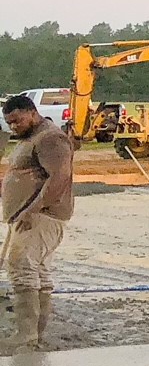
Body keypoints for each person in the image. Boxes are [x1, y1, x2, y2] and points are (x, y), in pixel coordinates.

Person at [4, 91, 75, 352]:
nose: (14, 126)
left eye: (18, 120)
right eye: (9, 123)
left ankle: (25, 335)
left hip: (41, 216)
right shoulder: (32, 137)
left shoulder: (51, 138)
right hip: (29, 216)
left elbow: (59, 177)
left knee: (21, 265)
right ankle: (33, 334)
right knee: (36, 270)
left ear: (33, 113)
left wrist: (33, 210)